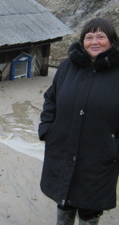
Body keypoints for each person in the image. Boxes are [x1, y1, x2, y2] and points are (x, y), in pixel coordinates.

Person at [38, 17, 119, 225]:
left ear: (112, 41)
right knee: (64, 201)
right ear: (82, 41)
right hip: (63, 148)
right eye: (89, 37)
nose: (94, 42)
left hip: (100, 157)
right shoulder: (67, 67)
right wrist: (47, 129)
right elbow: (51, 99)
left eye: (101, 37)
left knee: (90, 209)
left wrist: (114, 149)